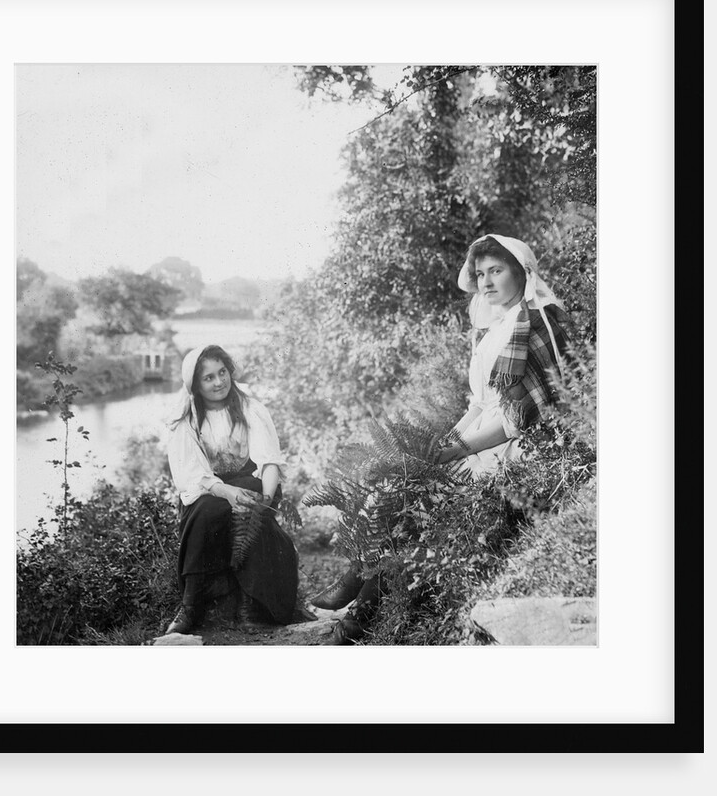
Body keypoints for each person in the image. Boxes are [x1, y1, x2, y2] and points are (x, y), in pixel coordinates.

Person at [310, 234, 571, 643]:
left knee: (421, 502)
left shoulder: (536, 323)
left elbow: (516, 418)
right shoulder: (494, 327)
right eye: (480, 274)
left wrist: (459, 450)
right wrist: (441, 442)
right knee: (401, 477)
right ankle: (358, 579)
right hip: (481, 438)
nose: (486, 282)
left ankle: (359, 614)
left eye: (496, 271)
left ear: (521, 272)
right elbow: (479, 403)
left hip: (518, 448)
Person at [164, 344, 299, 636]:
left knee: (250, 503)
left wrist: (265, 498)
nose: (218, 382)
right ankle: (190, 603)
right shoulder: (187, 419)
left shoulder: (249, 407)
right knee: (208, 509)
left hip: (252, 480)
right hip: (209, 488)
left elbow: (268, 460)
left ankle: (252, 603)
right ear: (196, 385)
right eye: (208, 378)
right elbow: (193, 475)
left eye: (222, 372)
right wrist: (226, 492)